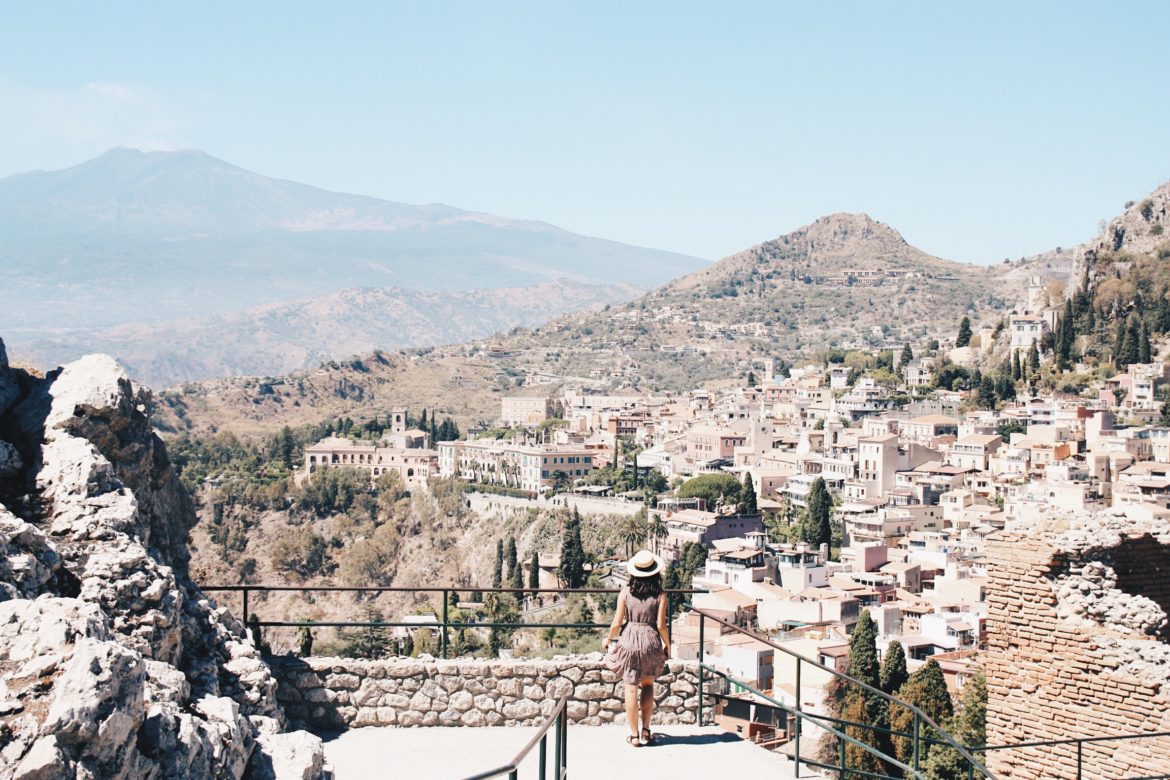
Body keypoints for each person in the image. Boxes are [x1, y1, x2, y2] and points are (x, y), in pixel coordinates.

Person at [603, 549, 670, 747]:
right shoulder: (660, 595)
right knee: (648, 684)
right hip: (650, 640)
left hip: (630, 639)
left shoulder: (625, 593)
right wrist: (668, 645)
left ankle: (633, 736)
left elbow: (617, 623)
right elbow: (660, 625)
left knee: (630, 687)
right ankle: (646, 731)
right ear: (655, 572)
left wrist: (608, 639)